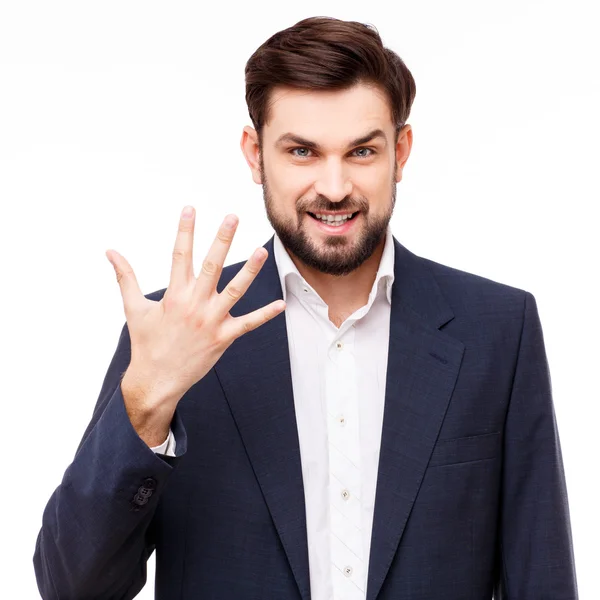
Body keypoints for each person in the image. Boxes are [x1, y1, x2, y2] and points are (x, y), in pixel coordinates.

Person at [33, 15, 579, 600]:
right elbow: (73, 588)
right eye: (302, 152)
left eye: (362, 151)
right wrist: (144, 408)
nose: (335, 185)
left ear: (401, 151)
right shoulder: (177, 333)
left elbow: (541, 580)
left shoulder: (498, 330)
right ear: (255, 154)